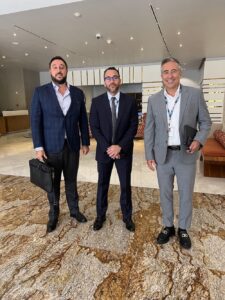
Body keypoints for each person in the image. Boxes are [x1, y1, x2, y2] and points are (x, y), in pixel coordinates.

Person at [144, 57, 211, 249]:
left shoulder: (194, 94)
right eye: (166, 72)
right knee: (165, 193)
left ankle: (183, 228)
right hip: (162, 155)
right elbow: (150, 129)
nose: (170, 75)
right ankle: (167, 226)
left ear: (180, 73)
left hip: (186, 155)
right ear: (161, 75)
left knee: (185, 194)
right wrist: (149, 154)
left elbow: (205, 122)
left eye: (173, 71)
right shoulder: (154, 99)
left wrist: (199, 139)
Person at [30, 56, 90, 233]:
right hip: (50, 148)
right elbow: (35, 121)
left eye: (61, 67)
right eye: (55, 67)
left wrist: (85, 141)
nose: (58, 70)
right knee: (53, 183)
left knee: (71, 181)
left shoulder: (78, 93)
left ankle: (74, 210)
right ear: (50, 71)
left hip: (72, 146)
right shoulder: (40, 92)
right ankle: (54, 213)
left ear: (66, 70)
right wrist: (38, 147)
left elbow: (82, 120)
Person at [90, 67, 138, 232]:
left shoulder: (130, 101)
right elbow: (94, 128)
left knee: (125, 185)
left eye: (115, 77)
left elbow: (133, 127)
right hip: (104, 152)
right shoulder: (96, 102)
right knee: (102, 185)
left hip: (123, 152)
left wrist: (119, 146)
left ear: (120, 80)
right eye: (108, 78)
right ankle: (100, 216)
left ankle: (127, 216)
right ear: (104, 82)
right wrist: (108, 148)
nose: (112, 80)